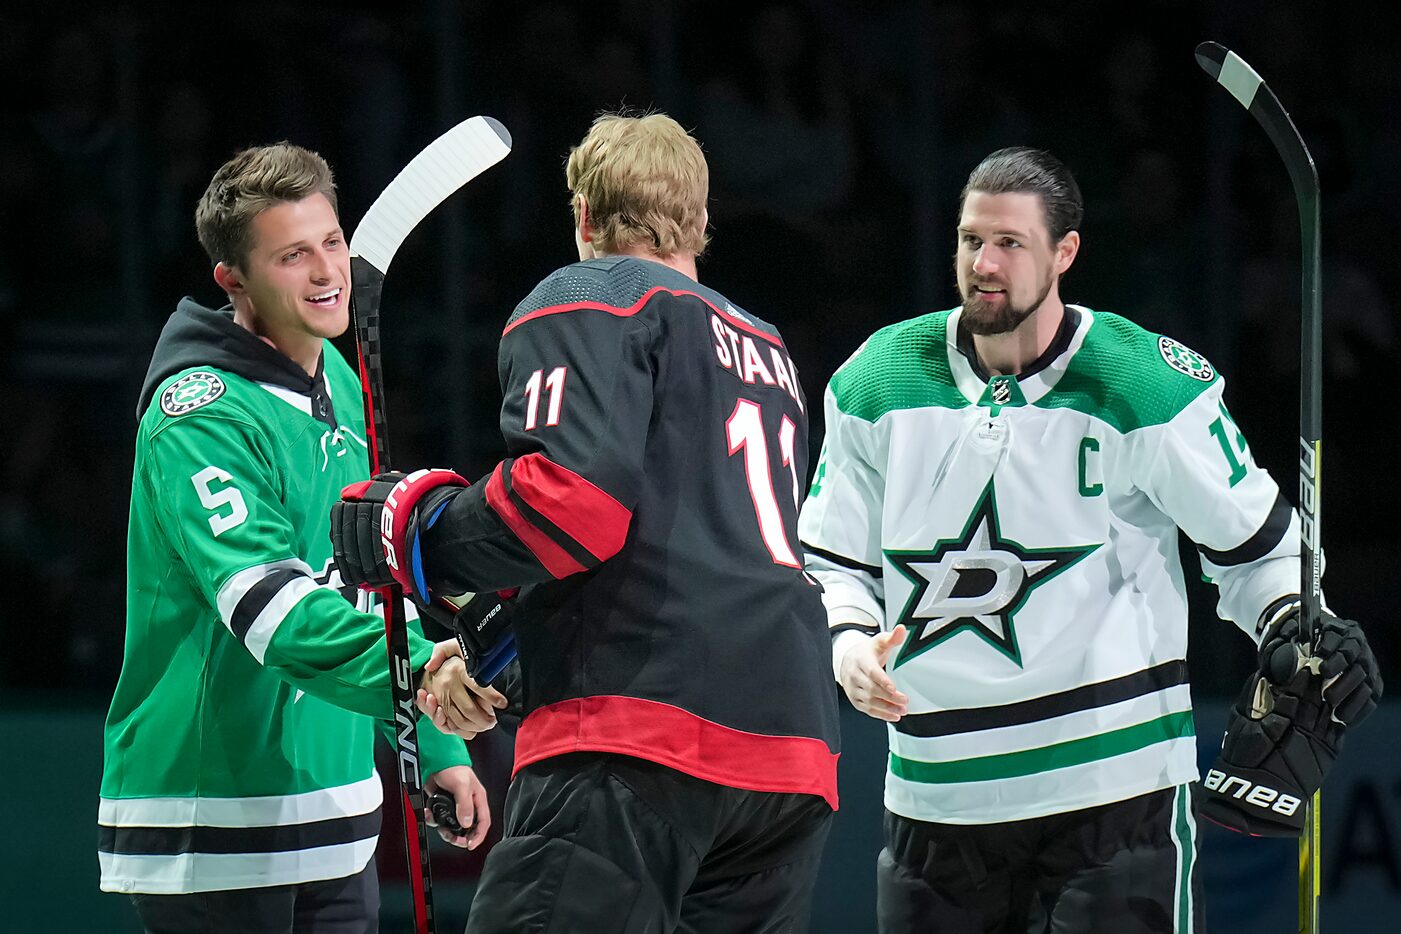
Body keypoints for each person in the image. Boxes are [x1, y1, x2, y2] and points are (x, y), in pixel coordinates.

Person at [796, 147, 1382, 933]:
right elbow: (829, 562)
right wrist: (848, 646)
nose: (983, 263)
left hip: (1116, 797)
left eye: (1009, 243)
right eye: (971, 240)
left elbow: (1259, 551)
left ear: (1063, 252)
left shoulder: (1143, 383)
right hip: (933, 800)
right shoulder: (873, 380)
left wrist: (1289, 624)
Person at [330, 111, 841, 933]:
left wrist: (417, 529)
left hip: (640, 741)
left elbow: (569, 509)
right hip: (791, 753)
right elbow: (678, 545)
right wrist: (498, 654)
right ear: (701, 222)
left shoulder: (593, 294)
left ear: (583, 217)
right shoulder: (766, 347)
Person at [100, 142, 500, 933]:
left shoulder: (338, 380)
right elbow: (269, 606)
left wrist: (439, 743)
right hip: (212, 816)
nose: (327, 273)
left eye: (330, 244)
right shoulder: (200, 411)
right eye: (292, 256)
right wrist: (423, 673)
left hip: (337, 815)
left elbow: (364, 580)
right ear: (233, 279)